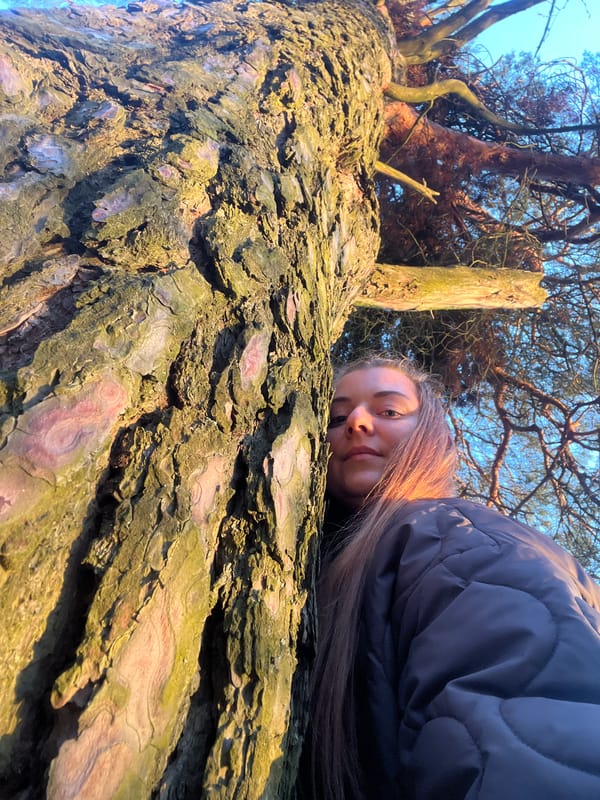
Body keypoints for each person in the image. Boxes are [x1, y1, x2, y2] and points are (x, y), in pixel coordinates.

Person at [304, 355, 600, 800]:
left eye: (388, 410)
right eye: (337, 416)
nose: (357, 422)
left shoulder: (455, 538)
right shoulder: (334, 569)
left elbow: (522, 737)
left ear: (431, 437)